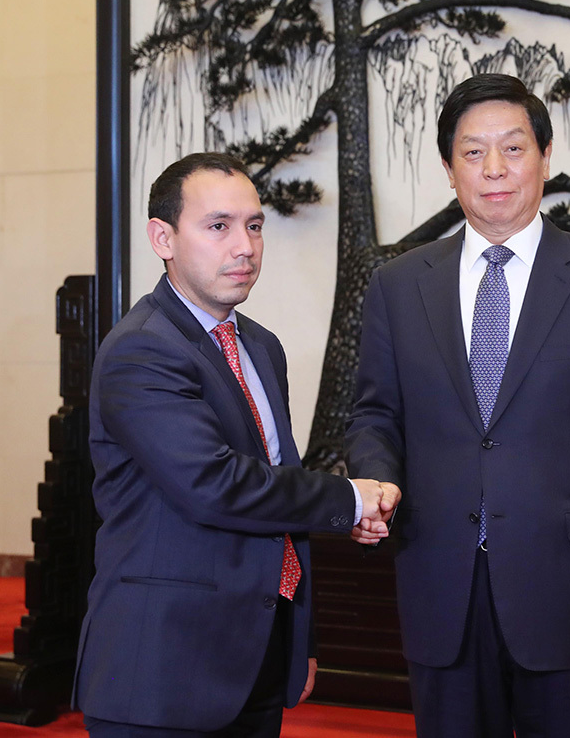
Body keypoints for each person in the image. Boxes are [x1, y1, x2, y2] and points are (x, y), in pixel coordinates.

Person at [345, 74, 570, 737]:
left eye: (513, 148)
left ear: (545, 157)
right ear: (449, 169)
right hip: (441, 589)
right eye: (472, 152)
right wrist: (374, 478)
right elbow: (375, 415)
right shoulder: (398, 285)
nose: (493, 168)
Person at [72, 152, 398, 738]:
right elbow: (215, 485)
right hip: (161, 670)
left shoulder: (261, 346)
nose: (244, 247)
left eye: (254, 225)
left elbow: (275, 488)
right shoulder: (141, 350)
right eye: (218, 226)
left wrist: (299, 639)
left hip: (255, 655)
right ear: (162, 238)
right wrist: (350, 500)